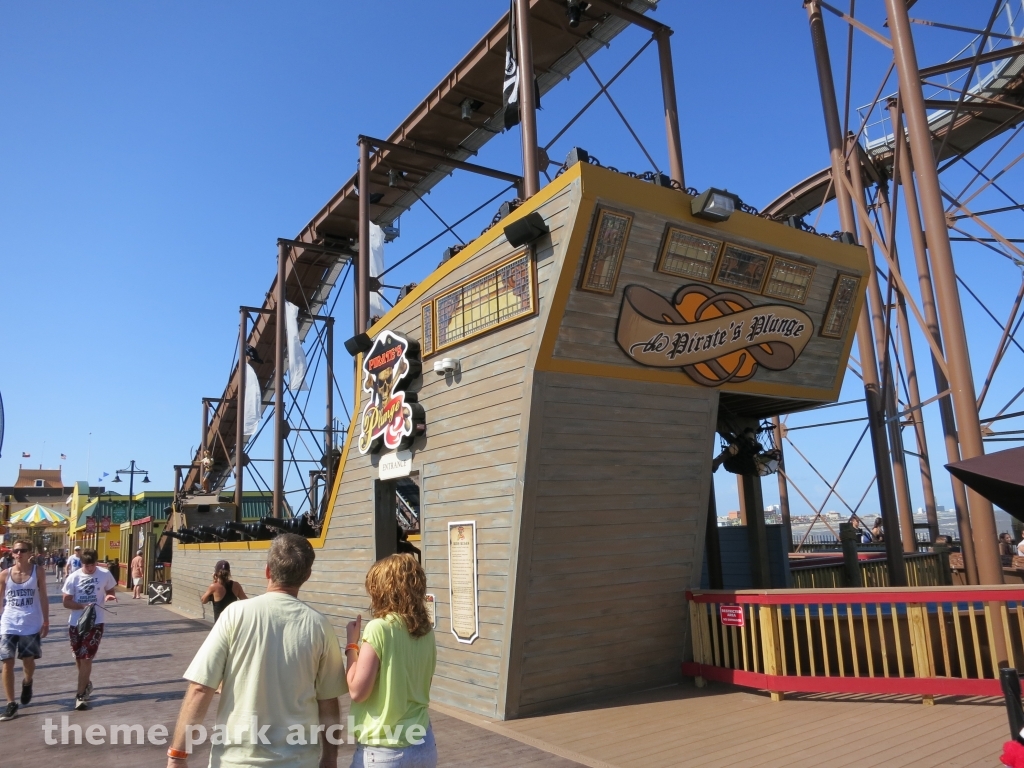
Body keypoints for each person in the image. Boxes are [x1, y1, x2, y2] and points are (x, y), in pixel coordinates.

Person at [166, 534, 347, 768]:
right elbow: (328, 701)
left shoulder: (234, 615)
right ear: (307, 576)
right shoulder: (319, 625)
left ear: (267, 571)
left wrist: (178, 755)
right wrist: (330, 759)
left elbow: (200, 688)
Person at [346, 553, 437, 767]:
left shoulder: (379, 628)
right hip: (423, 743)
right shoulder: (426, 630)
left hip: (385, 750)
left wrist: (352, 645)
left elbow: (358, 691)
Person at [62, 549, 117, 711]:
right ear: (82, 564)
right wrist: (82, 606)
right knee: (78, 657)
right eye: (87, 566)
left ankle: (80, 695)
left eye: (93, 565)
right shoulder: (74, 577)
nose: (90, 568)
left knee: (86, 657)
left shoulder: (105, 574)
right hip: (76, 622)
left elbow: (110, 589)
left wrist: (109, 595)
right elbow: (66, 602)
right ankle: (86, 684)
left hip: (96, 622)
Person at [0, 540, 49, 721]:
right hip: (9, 622)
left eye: (23, 550)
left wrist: (46, 621)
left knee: (28, 660)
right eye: (16, 551)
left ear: (30, 553)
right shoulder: (4, 574)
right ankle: (11, 704)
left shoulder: (38, 572)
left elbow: (44, 596)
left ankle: (27, 682)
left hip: (31, 622)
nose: (19, 554)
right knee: (7, 661)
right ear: (12, 554)